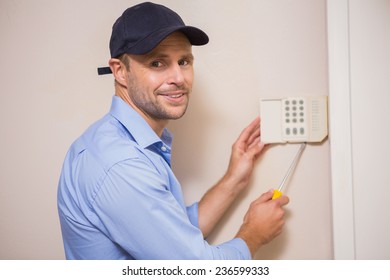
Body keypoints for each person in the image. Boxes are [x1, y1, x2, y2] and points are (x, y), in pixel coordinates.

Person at [57, 2, 289, 260]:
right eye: (157, 63)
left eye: (184, 61)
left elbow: (173, 233)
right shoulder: (121, 165)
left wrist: (234, 179)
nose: (178, 77)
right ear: (120, 71)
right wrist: (253, 234)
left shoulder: (120, 140)